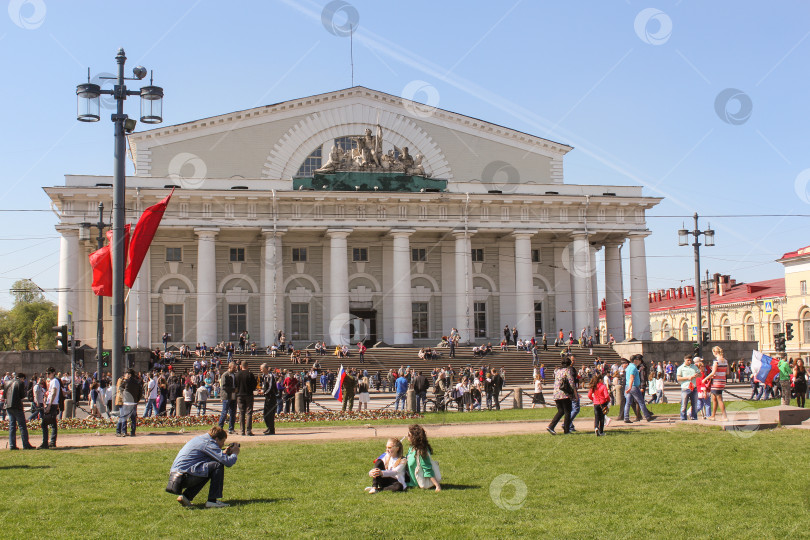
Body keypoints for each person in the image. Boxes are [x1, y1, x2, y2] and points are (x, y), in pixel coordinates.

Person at [170, 426, 240, 508]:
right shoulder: (209, 443)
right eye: (223, 442)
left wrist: (223, 453)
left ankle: (186, 497)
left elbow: (206, 460)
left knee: (207, 469)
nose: (223, 445)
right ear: (217, 439)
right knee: (217, 466)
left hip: (176, 477)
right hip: (184, 477)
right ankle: (212, 501)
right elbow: (228, 462)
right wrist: (235, 453)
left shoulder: (201, 439)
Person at [5, 372, 34, 450]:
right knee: (22, 426)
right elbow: (22, 395)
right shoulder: (20, 383)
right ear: (22, 378)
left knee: (12, 426)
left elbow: (5, 395)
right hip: (17, 406)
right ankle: (26, 444)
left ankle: (12, 445)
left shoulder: (7, 382)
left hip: (8, 406)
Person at [406, 424, 440, 491]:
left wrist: (437, 485)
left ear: (415, 437)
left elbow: (427, 468)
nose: (407, 436)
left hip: (415, 483)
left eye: (409, 435)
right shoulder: (412, 448)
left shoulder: (421, 451)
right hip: (406, 479)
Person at [547, 357, 576, 435]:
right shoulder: (567, 371)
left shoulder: (557, 371)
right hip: (564, 394)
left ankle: (551, 426)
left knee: (560, 411)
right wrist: (575, 393)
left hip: (556, 393)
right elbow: (571, 383)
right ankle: (566, 430)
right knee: (567, 412)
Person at [624, 355, 654, 423]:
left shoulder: (628, 367)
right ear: (635, 360)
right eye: (638, 360)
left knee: (628, 403)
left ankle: (626, 417)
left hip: (628, 386)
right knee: (641, 402)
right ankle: (647, 416)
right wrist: (631, 387)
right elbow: (631, 378)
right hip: (633, 387)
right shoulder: (633, 368)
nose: (639, 361)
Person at [703, 346, 729, 422]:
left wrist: (705, 379)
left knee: (719, 399)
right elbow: (727, 372)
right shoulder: (725, 360)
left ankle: (724, 416)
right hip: (722, 380)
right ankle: (713, 415)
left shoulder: (716, 361)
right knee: (714, 398)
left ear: (715, 352)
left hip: (716, 381)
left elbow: (713, 372)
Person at [234, 361, 257, 436]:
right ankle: (248, 430)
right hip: (248, 394)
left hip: (240, 395)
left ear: (241, 366)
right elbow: (254, 385)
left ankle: (242, 430)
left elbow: (235, 386)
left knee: (241, 412)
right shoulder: (250, 374)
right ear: (247, 366)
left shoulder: (237, 374)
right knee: (249, 412)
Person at [677, 354, 699, 421]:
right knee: (684, 404)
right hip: (685, 387)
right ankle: (683, 418)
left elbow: (700, 374)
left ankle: (694, 417)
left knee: (694, 404)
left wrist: (697, 374)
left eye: (690, 360)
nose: (689, 362)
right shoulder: (681, 368)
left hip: (694, 387)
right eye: (688, 360)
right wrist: (687, 378)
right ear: (685, 360)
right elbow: (678, 378)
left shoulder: (694, 367)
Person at [259, 363, 278, 435]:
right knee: (265, 414)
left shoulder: (270, 376)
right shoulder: (264, 376)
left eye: (261, 368)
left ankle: (271, 429)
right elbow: (264, 386)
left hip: (271, 397)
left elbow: (270, 387)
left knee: (270, 414)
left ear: (265, 369)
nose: (260, 370)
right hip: (267, 397)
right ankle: (269, 427)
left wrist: (264, 392)